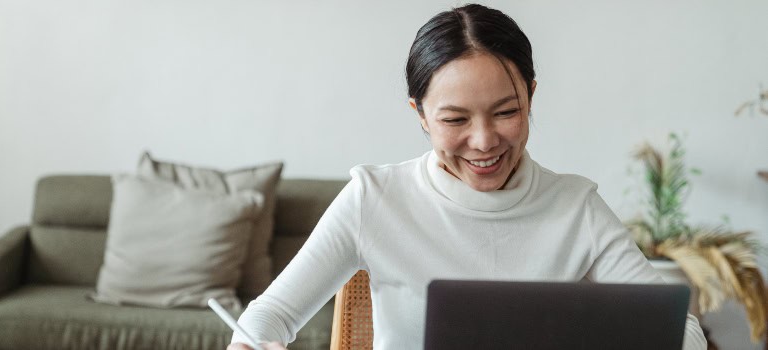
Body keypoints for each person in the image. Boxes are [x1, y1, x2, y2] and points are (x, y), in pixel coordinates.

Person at [229, 4, 707, 350]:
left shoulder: (576, 207)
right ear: (420, 114)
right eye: (455, 120)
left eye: (506, 112)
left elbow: (681, 332)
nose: (483, 142)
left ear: (531, 97)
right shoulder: (374, 198)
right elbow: (270, 315)